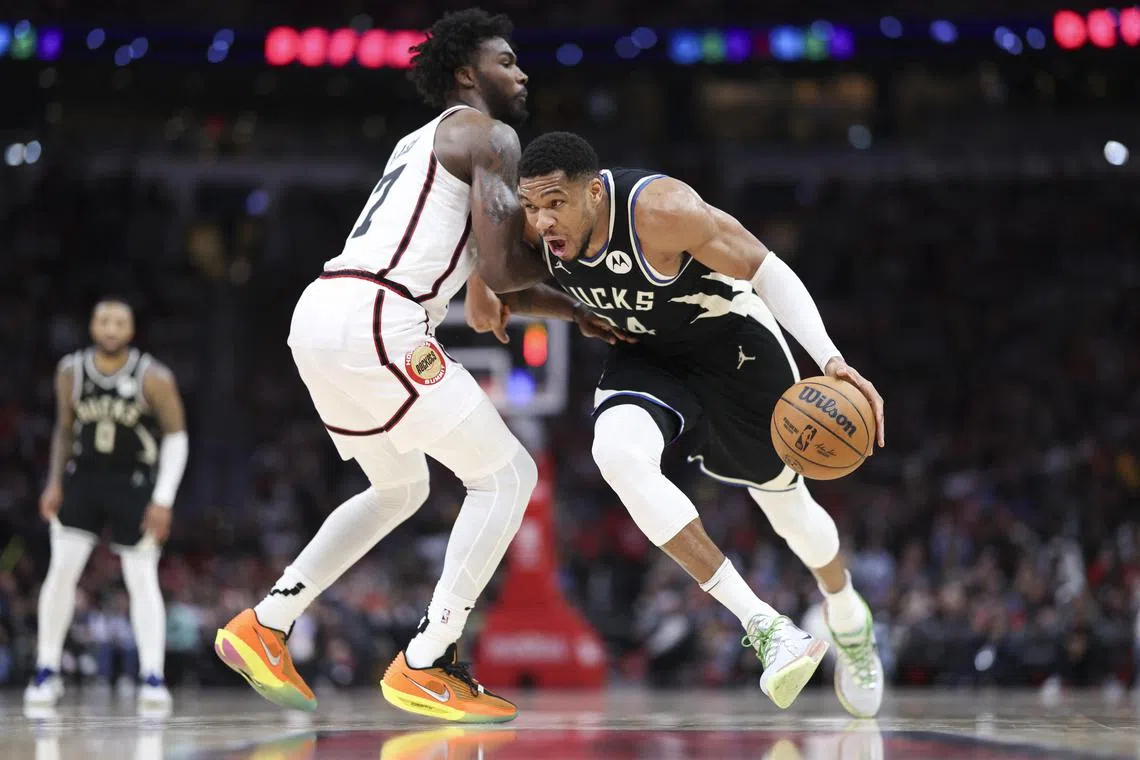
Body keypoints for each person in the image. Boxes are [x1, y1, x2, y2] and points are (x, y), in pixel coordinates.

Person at [213, 10, 620, 724]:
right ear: (467, 74)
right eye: (506, 60)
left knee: (399, 486)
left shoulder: (422, 144)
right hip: (382, 316)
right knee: (509, 475)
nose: (521, 72)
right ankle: (429, 659)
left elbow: (494, 282)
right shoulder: (492, 135)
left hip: (324, 315)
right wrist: (581, 282)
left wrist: (566, 311)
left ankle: (267, 623)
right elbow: (503, 268)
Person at [467, 131, 887, 716]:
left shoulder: (660, 211)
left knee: (792, 516)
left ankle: (847, 616)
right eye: (531, 207)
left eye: (555, 204)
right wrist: (483, 284)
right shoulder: (532, 232)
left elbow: (766, 267)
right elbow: (493, 275)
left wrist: (831, 360)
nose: (542, 221)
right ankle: (767, 626)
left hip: (733, 347)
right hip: (647, 356)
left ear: (593, 192)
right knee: (615, 453)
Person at [26, 298, 188, 710]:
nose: (111, 327)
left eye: (119, 321)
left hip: (134, 482)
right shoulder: (71, 371)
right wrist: (54, 482)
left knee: (141, 577)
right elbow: (64, 431)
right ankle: (47, 670)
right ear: (92, 326)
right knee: (61, 572)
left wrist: (163, 499)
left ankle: (152, 675)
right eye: (103, 320)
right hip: (84, 479)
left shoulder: (154, 376)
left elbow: (176, 437)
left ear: (131, 330)